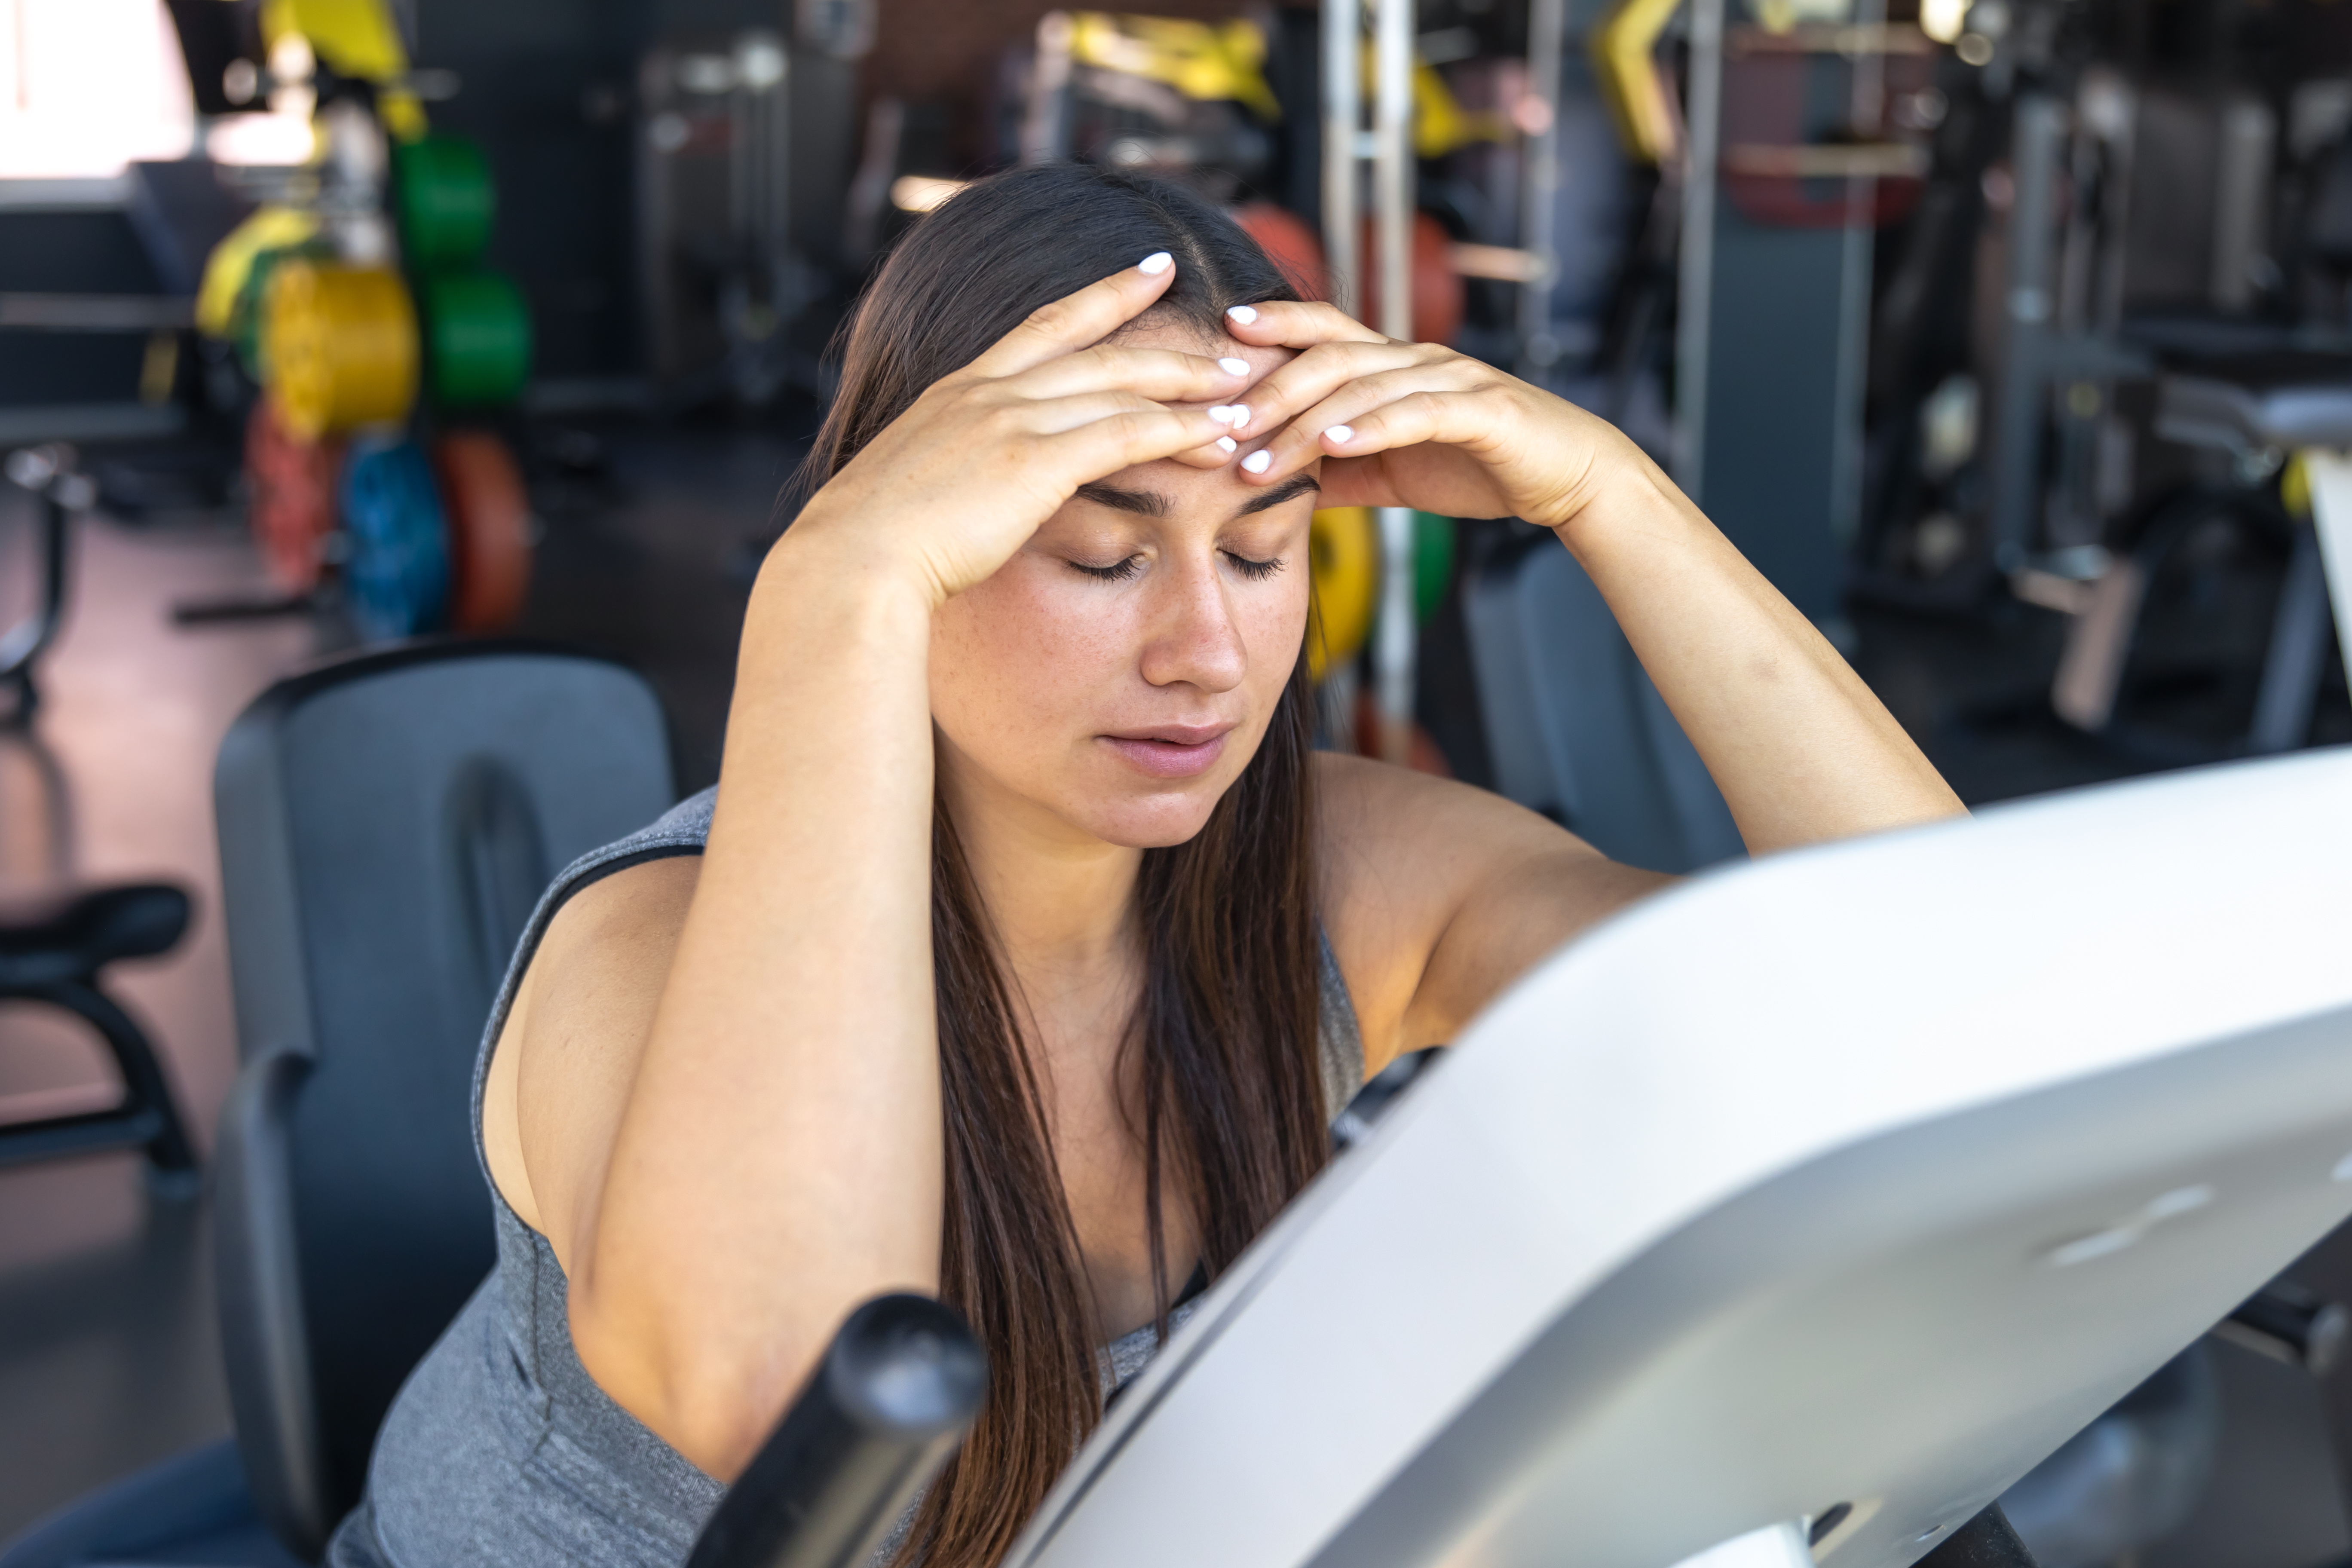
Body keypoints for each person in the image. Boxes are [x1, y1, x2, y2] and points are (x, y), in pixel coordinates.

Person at [329, 165, 1963, 1568]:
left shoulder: (1339, 876)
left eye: (1260, 554)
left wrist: (1616, 495)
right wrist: (832, 590)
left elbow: (1937, 1004)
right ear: (918, 544)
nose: (1207, 653)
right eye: (1103, 554)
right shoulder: (642, 946)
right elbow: (799, 1395)